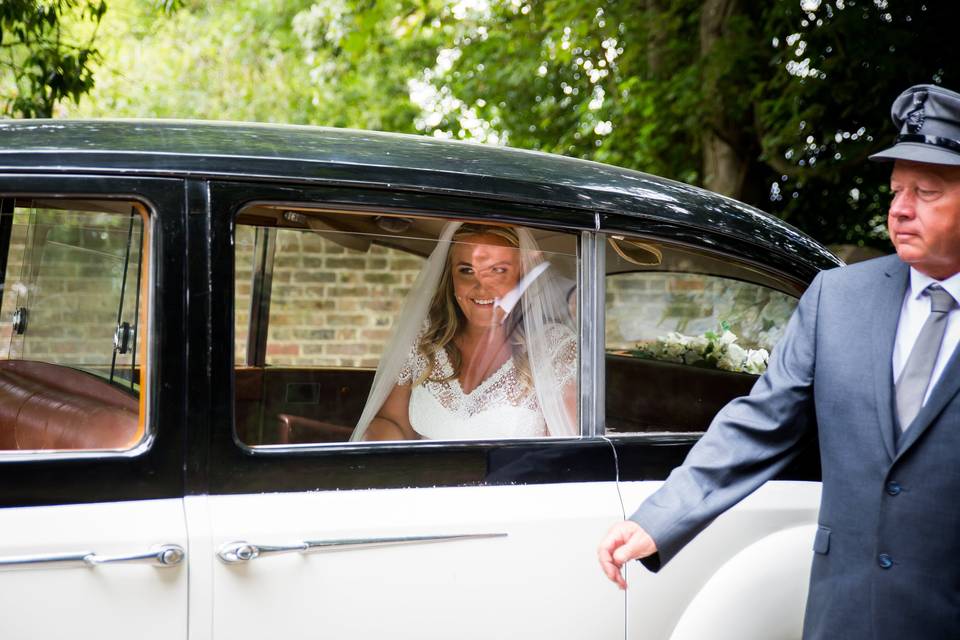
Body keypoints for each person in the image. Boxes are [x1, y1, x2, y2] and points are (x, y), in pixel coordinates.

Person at [598, 83, 960, 639]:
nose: (900, 209)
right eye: (896, 190)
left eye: (926, 192)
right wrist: (659, 518)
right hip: (844, 619)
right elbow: (759, 423)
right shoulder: (837, 299)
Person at [351, 222, 577, 441]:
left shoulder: (555, 349)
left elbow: (565, 454)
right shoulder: (423, 338)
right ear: (451, 277)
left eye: (498, 270)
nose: (481, 286)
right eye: (467, 270)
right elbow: (394, 422)